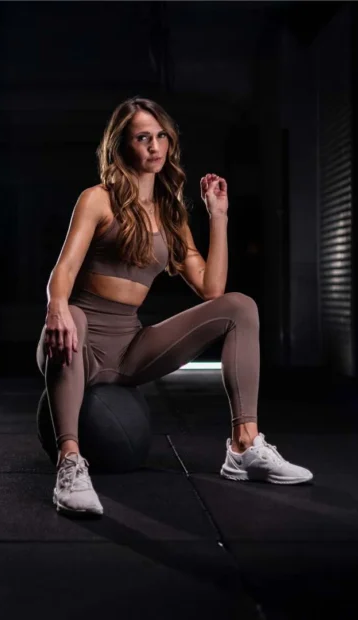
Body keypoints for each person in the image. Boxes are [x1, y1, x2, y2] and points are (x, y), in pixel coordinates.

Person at [37, 96, 313, 518]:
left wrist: (218, 216)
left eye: (161, 136)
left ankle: (244, 446)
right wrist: (57, 307)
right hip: (77, 339)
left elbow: (211, 288)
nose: (155, 146)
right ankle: (70, 464)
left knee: (240, 307)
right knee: (72, 314)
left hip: (128, 350)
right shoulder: (97, 199)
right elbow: (66, 268)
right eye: (142, 137)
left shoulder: (170, 214)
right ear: (121, 145)